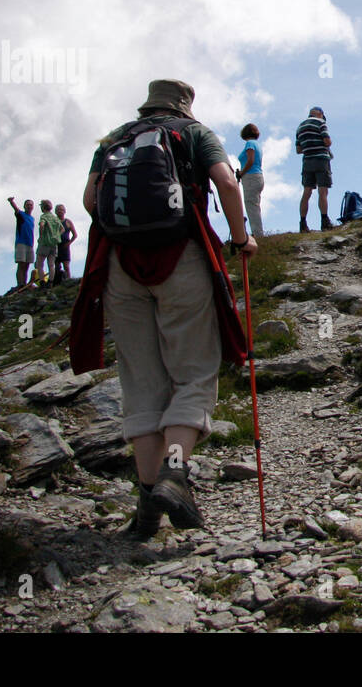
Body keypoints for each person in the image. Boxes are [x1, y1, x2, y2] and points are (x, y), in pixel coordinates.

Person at [72, 79, 256, 539]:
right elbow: (226, 182)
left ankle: (147, 512)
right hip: (182, 259)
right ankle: (175, 474)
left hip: (119, 267)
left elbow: (91, 202)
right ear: (185, 105)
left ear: (146, 103)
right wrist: (241, 237)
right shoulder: (193, 132)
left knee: (141, 383)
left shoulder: (115, 138)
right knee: (193, 374)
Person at [295, 106, 334, 232]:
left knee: (306, 192)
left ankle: (303, 223)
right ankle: (324, 221)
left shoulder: (300, 127)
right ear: (320, 114)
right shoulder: (321, 123)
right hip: (321, 160)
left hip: (307, 161)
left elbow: (298, 150)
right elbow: (327, 141)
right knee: (323, 191)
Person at [237, 123, 265, 238]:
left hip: (251, 176)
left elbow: (250, 160)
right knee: (255, 204)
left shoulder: (249, 144)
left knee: (251, 205)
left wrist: (241, 173)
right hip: (258, 176)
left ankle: (257, 234)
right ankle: (258, 232)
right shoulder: (257, 144)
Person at [8, 196, 35, 290]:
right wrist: (11, 202)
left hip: (30, 244)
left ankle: (24, 284)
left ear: (33, 207)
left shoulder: (32, 218)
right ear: (24, 206)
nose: (29, 206)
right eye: (27, 205)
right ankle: (20, 284)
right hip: (21, 243)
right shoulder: (21, 215)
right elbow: (16, 209)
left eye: (31, 205)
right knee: (21, 264)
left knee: (27, 265)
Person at [35, 200, 63, 287]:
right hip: (54, 244)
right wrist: (57, 235)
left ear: (43, 207)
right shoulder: (55, 218)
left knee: (40, 264)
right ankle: (50, 282)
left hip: (45, 243)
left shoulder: (44, 216)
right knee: (51, 264)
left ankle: (42, 282)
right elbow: (62, 229)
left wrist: (41, 236)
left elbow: (42, 225)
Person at [55, 204, 77, 280]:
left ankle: (69, 280)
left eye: (61, 209)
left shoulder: (68, 222)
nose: (60, 211)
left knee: (66, 266)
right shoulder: (54, 221)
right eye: (58, 209)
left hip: (65, 246)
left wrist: (69, 243)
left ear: (64, 211)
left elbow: (75, 235)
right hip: (55, 246)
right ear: (55, 211)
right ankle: (57, 282)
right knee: (56, 266)